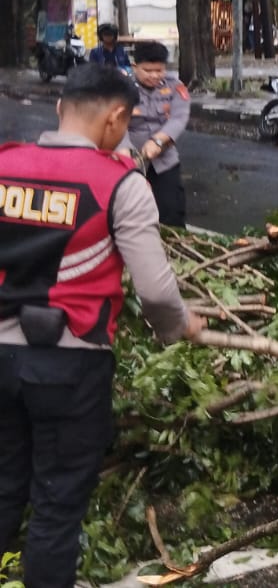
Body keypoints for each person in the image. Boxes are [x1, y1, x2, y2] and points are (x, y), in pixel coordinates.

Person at [0, 64, 205, 587]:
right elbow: (157, 291)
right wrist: (178, 327)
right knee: (56, 506)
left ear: (59, 108)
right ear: (117, 118)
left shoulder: (5, 165)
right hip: (69, 365)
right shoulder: (119, 184)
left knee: (3, 490)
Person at [122, 42, 190, 228]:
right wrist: (126, 152)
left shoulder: (175, 87)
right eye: (147, 70)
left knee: (171, 210)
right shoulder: (121, 87)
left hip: (164, 159)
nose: (154, 75)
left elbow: (179, 118)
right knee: (130, 212)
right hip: (130, 162)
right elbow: (116, 123)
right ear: (135, 66)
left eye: (159, 70)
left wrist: (159, 141)